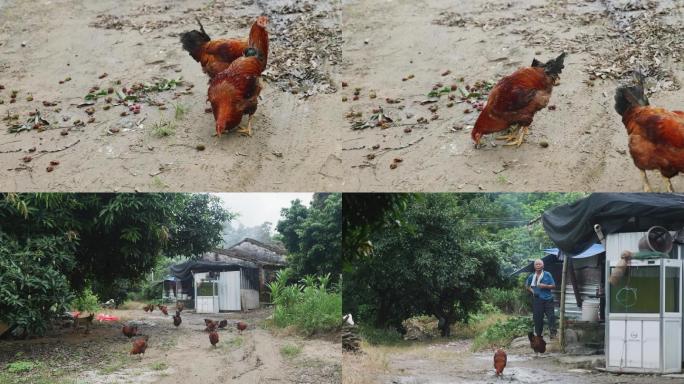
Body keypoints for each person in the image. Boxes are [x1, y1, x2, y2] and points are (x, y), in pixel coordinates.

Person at [526, 259, 557, 339]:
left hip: (548, 299)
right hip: (537, 299)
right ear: (534, 266)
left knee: (551, 317)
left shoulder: (547, 274)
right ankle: (539, 335)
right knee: (537, 318)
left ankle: (553, 334)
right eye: (537, 264)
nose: (538, 265)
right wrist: (532, 291)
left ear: (543, 266)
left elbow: (553, 286)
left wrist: (545, 286)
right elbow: (527, 286)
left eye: (540, 264)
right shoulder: (531, 276)